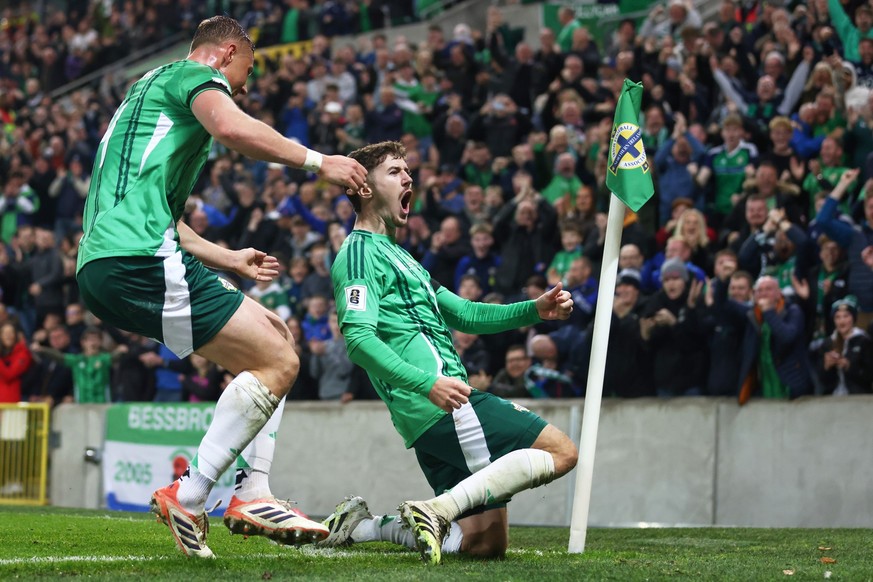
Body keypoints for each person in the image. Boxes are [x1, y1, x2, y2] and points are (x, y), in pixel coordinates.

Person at [74, 16, 366, 559]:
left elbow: (163, 215)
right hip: (135, 258)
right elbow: (232, 128)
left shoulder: (144, 94)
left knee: (274, 341)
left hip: (105, 263)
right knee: (280, 359)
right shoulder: (191, 77)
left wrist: (226, 257)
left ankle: (232, 492)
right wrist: (318, 160)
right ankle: (211, 494)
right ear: (225, 52)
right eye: (246, 72)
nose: (245, 87)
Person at [324, 141, 577, 565]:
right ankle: (436, 510)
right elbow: (359, 341)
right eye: (394, 171)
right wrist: (430, 383)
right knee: (562, 452)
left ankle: (362, 527)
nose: (408, 177)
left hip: (434, 411)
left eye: (408, 170)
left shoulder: (402, 257)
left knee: (484, 545)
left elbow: (466, 313)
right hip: (444, 401)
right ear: (364, 189)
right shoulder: (357, 255)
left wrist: (534, 309)